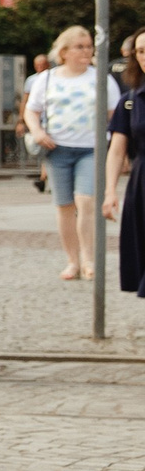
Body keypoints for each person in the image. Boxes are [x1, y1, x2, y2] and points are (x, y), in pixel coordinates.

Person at [23, 26, 101, 282]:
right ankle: (72, 261)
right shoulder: (47, 79)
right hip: (57, 149)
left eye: (89, 45)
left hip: (90, 149)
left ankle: (89, 258)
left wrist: (110, 143)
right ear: (64, 51)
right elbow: (31, 110)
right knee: (64, 206)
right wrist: (36, 131)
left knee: (86, 201)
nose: (86, 51)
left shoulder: (100, 78)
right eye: (80, 46)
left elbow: (113, 114)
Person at [104, 55, 144, 298]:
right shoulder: (130, 101)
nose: (144, 56)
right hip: (141, 184)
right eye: (139, 51)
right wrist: (110, 191)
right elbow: (117, 151)